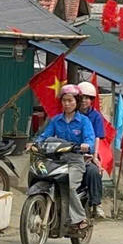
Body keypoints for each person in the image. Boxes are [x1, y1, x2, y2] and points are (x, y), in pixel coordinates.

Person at [31, 85, 96, 232]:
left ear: (77, 102)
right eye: (64, 100)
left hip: (75, 162)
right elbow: (44, 135)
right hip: (55, 160)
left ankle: (80, 219)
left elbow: (90, 140)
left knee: (68, 185)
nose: (66, 104)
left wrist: (87, 145)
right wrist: (35, 143)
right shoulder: (56, 120)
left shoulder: (84, 121)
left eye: (70, 100)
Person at [76, 81, 107, 216]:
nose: (84, 101)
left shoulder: (95, 116)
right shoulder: (69, 113)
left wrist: (94, 156)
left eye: (87, 98)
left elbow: (97, 137)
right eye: (81, 98)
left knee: (94, 172)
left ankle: (96, 203)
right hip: (68, 152)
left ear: (92, 100)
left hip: (88, 153)